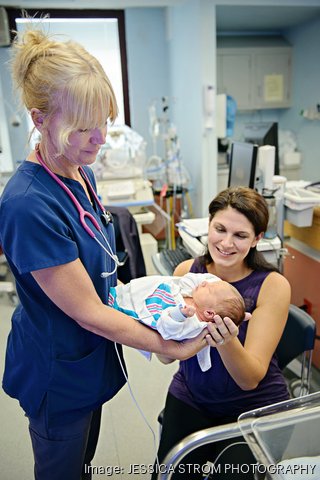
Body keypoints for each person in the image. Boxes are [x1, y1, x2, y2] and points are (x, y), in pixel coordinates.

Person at [0, 28, 221, 480]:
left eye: (105, 122)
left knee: (83, 464)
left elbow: (101, 272)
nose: (100, 139)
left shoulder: (80, 173)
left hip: (89, 363)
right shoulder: (27, 204)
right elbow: (87, 311)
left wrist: (159, 309)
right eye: (83, 128)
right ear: (40, 120)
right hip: (57, 374)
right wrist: (167, 346)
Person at [152, 186, 291, 480]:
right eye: (220, 229)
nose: (226, 243)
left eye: (240, 235)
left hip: (253, 407)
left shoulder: (272, 285)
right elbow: (164, 358)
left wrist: (227, 341)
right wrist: (172, 324)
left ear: (257, 239)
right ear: (209, 225)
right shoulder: (186, 273)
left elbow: (249, 378)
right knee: (168, 475)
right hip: (192, 394)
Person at [108, 272, 246, 371]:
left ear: (209, 313)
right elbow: (186, 280)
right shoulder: (192, 294)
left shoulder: (194, 325)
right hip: (134, 293)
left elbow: (168, 331)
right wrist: (211, 282)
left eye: (209, 289)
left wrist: (178, 315)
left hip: (131, 312)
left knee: (117, 305)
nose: (204, 283)